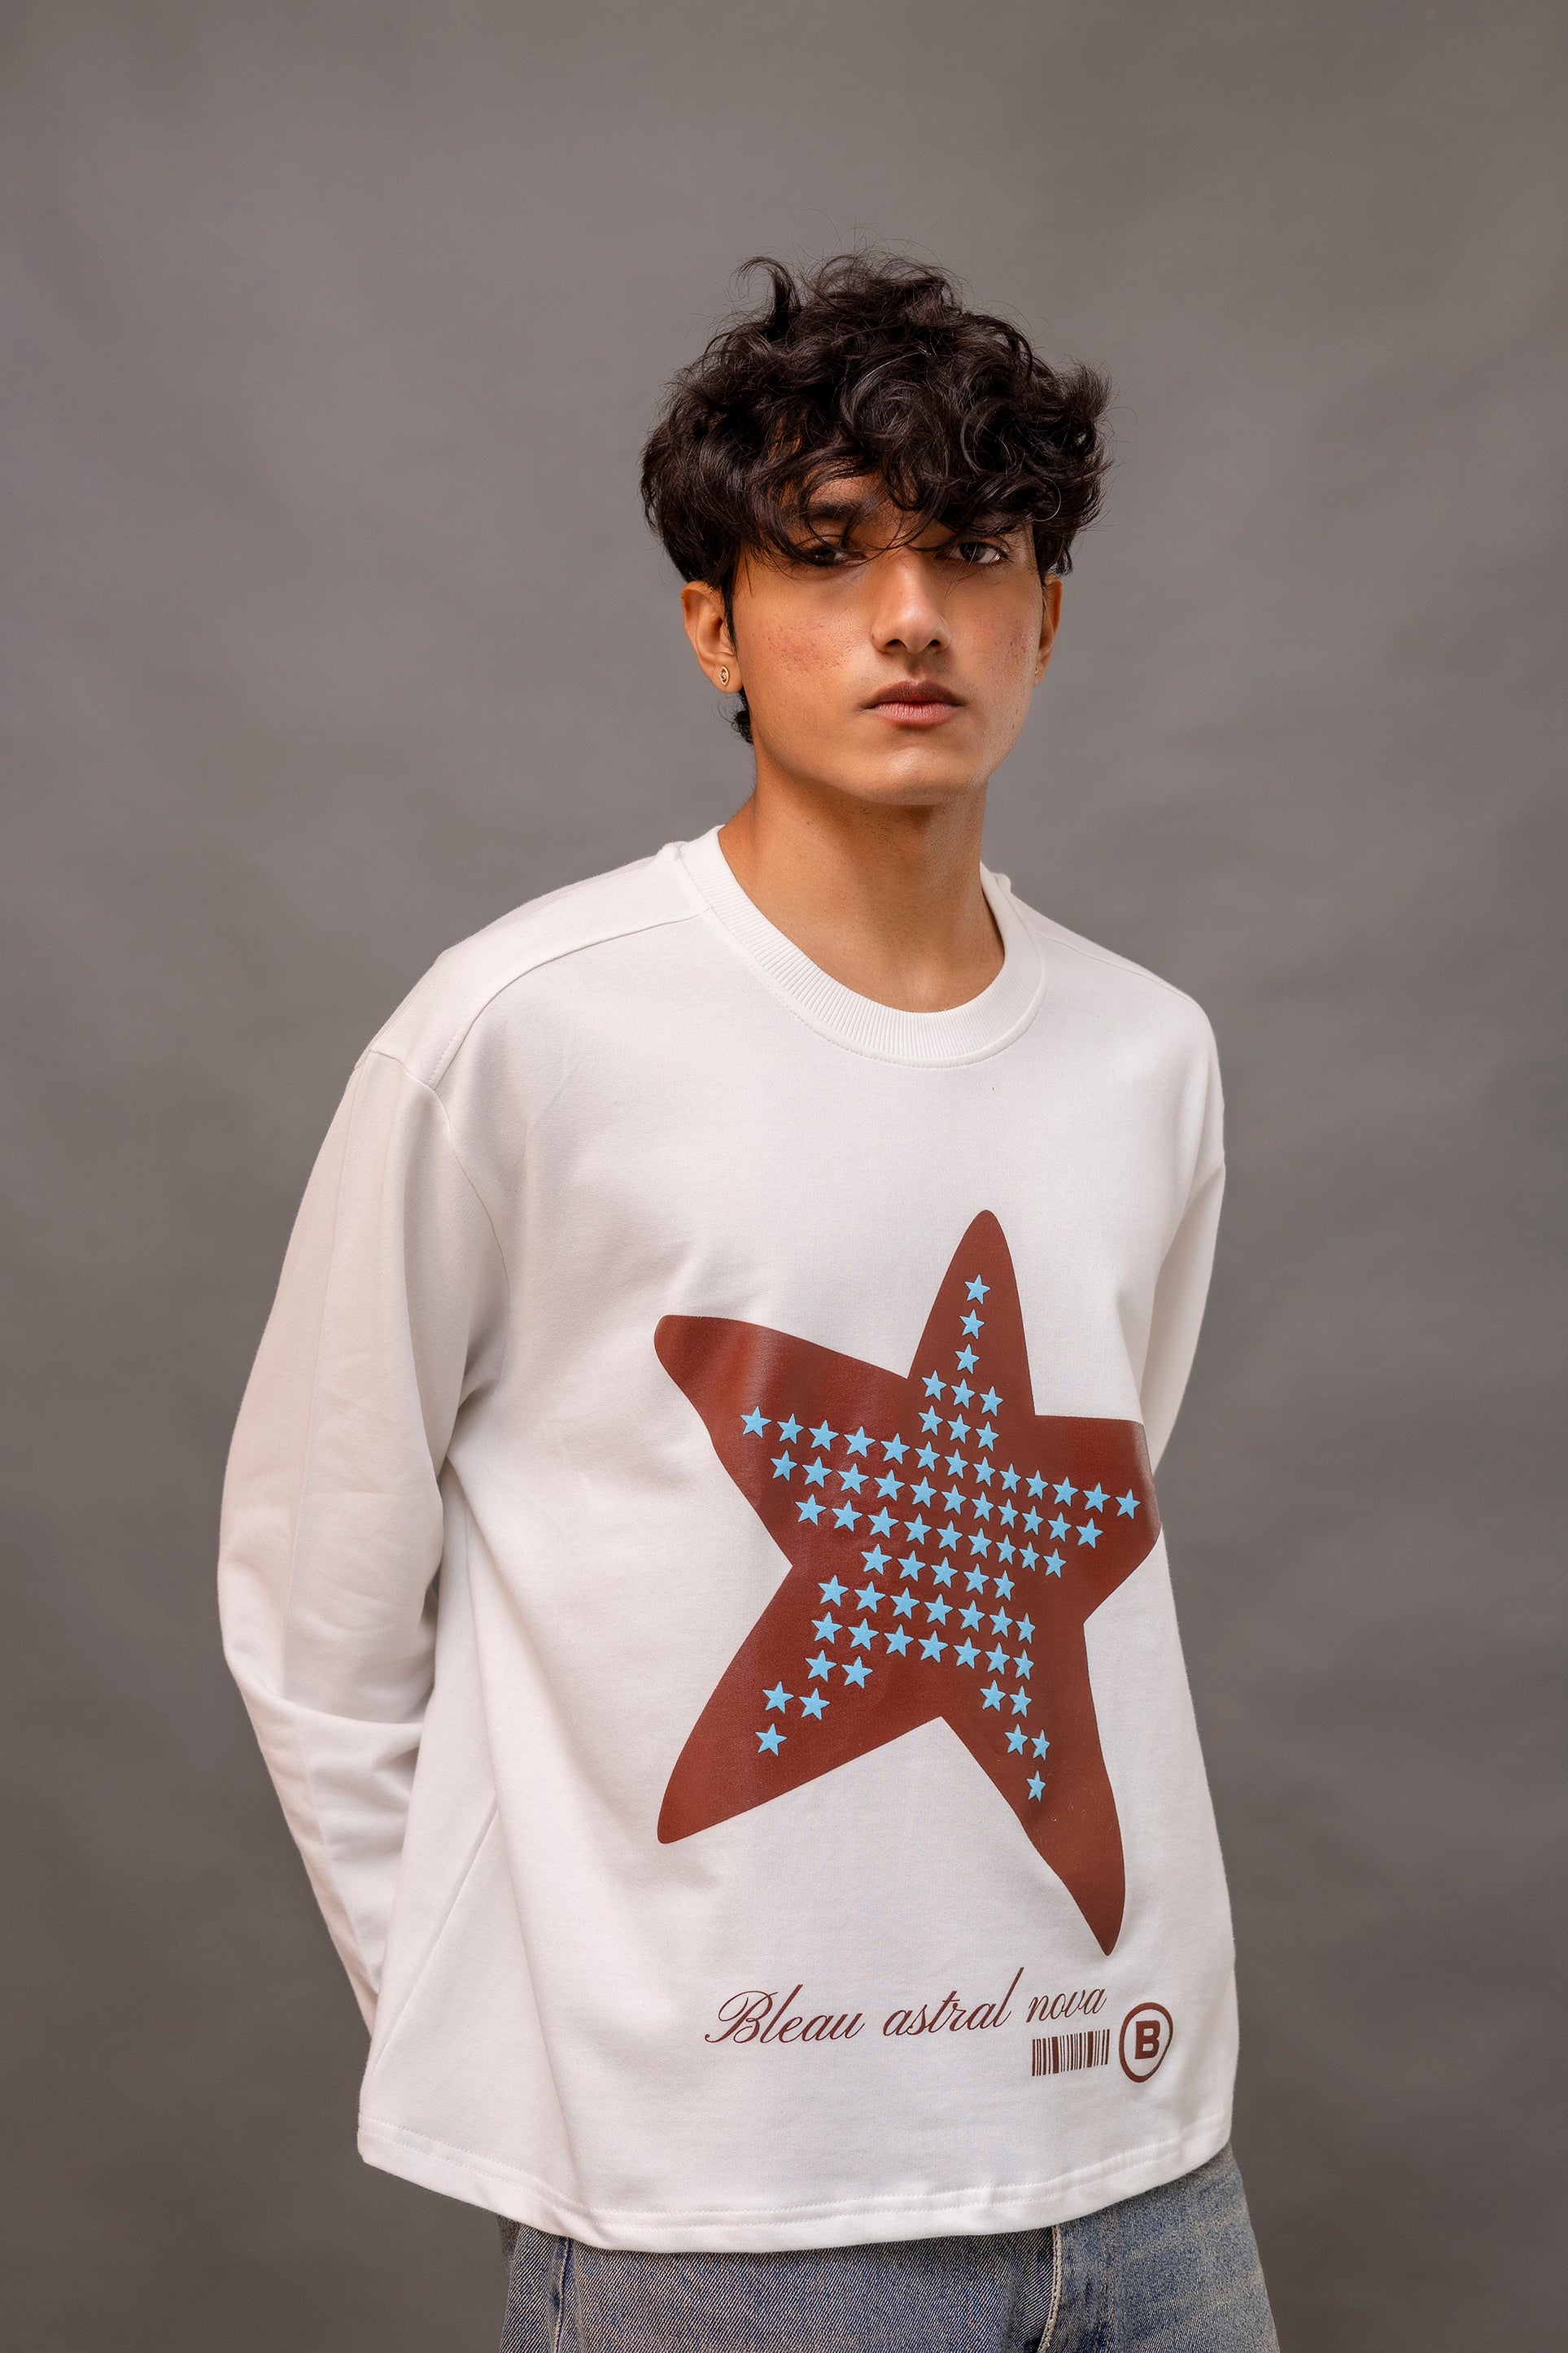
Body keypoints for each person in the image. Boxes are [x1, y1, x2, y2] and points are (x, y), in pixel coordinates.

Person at [219, 253, 1278, 2352]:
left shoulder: (1149, 1053)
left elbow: (1094, 1506)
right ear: (712, 623)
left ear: (1049, 614)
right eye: (829, 553)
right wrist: (546, 2036)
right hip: (717, 2220)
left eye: (974, 553)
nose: (913, 616)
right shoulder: (522, 1034)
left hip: (1147, 2162)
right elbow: (311, 1603)